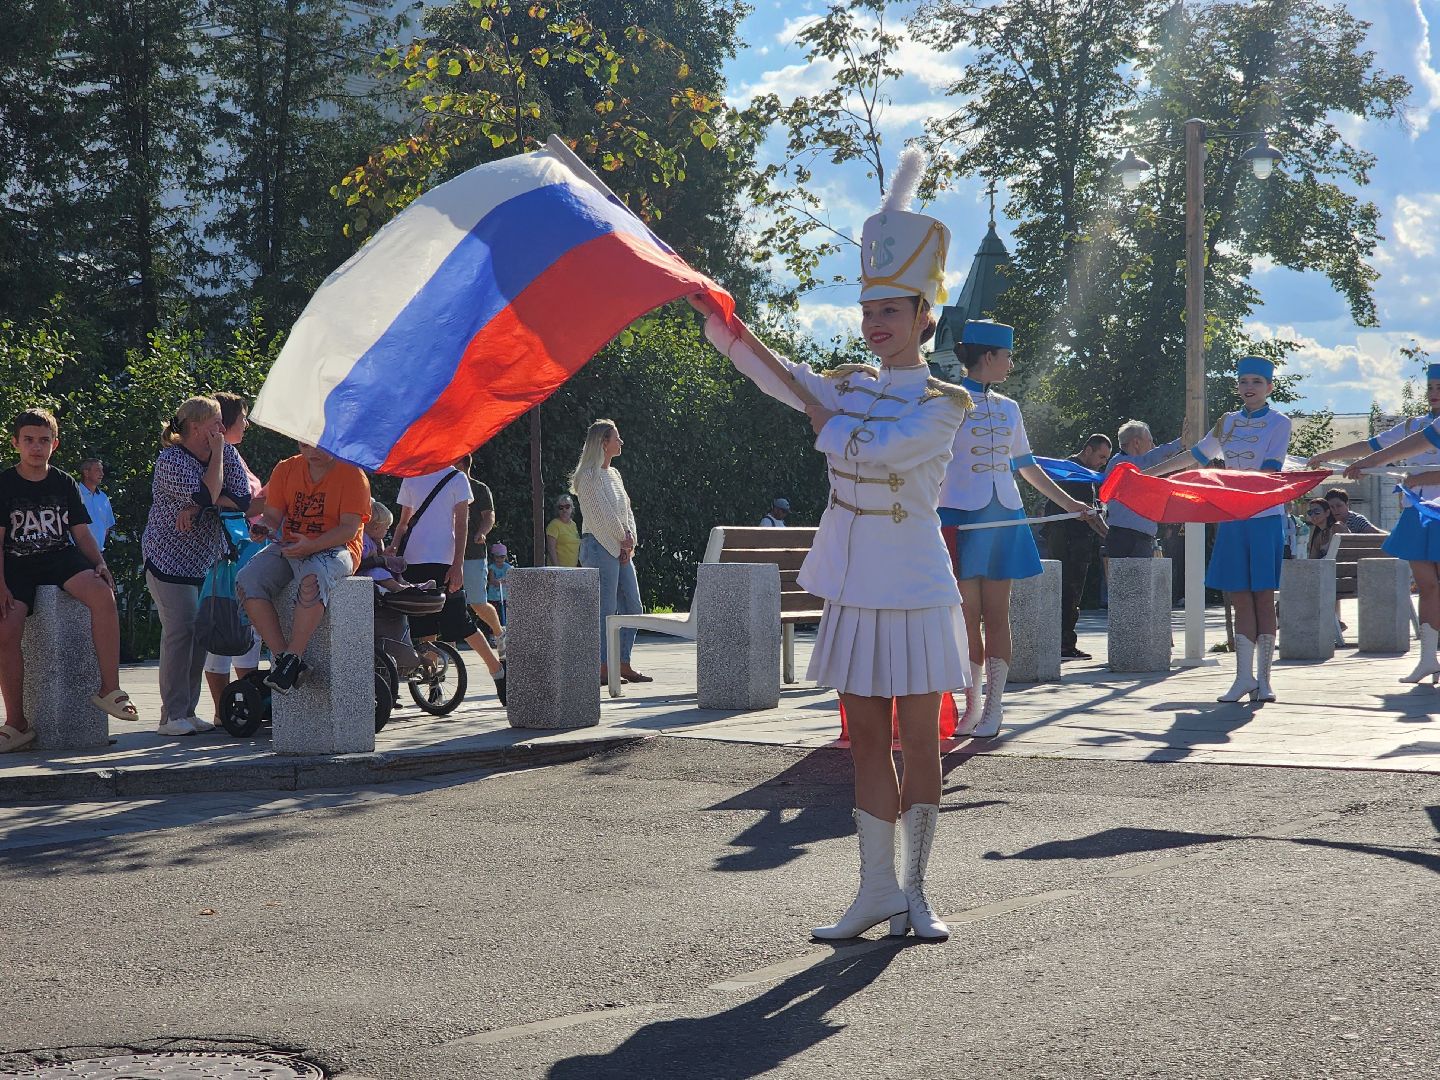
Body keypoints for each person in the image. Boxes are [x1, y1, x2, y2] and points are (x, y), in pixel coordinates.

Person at [703, 156, 973, 942]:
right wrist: (722, 322)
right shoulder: (850, 384)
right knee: (863, 740)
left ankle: (918, 893)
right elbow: (783, 379)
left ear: (926, 316)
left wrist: (829, 421)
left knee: (920, 740)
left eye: (894, 309)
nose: (877, 323)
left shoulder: (945, 401)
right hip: (856, 582)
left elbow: (883, 453)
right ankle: (875, 888)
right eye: (869, 310)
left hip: (916, 581)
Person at [939, 320, 1097, 735]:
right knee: (965, 615)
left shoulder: (1009, 407)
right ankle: (971, 705)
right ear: (988, 357)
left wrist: (1073, 504)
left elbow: (1026, 466)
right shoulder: (944, 401)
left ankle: (994, 707)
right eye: (1007, 356)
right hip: (959, 515)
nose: (1010, 363)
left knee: (997, 614)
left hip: (1003, 516)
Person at [1149, 357, 1290, 703]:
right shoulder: (1227, 423)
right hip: (1231, 519)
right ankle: (1243, 678)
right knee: (1240, 599)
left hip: (1264, 516)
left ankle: (1265, 680)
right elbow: (1196, 455)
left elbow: (1270, 470)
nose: (1249, 388)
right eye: (1244, 382)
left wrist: (1226, 484)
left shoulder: (1279, 422)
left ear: (1270, 387)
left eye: (1257, 382)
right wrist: (1153, 473)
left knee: (1262, 599)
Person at [0, 408, 138, 753]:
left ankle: (110, 689)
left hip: (59, 557)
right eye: (29, 440)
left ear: (54, 444)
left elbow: (81, 531)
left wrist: (100, 562)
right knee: (7, 626)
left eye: (44, 441)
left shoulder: (64, 482)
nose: (36, 447)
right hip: (16, 562)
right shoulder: (4, 483)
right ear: (15, 442)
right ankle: (16, 722)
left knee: (102, 593)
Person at [1309, 367, 1440, 682]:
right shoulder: (1414, 425)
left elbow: (1380, 456)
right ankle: (1428, 658)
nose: (1435, 391)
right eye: (1431, 386)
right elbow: (1373, 446)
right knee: (1427, 586)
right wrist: (1329, 456)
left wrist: (1383, 467)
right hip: (1417, 513)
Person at [141, 396, 253, 735]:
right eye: (215, 424)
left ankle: (187, 711)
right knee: (181, 631)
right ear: (194, 427)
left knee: (199, 633)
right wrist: (208, 494)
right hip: (167, 560)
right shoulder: (171, 460)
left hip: (204, 561)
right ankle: (170, 715)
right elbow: (208, 495)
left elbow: (243, 499)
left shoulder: (227, 453)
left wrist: (205, 501)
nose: (221, 430)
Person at [237, 443, 370, 692]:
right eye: (305, 443)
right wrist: (263, 527)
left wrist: (311, 546)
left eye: (319, 444)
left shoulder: (352, 473)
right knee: (246, 580)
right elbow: (273, 516)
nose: (312, 451)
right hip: (292, 544)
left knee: (313, 576)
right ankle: (284, 660)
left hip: (338, 547)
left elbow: (349, 529)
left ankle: (294, 655)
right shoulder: (286, 469)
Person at [392, 460, 507, 704]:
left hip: (443, 560)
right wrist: (393, 548)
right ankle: (433, 681)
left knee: (460, 621)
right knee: (424, 625)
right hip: (413, 560)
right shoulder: (411, 475)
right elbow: (404, 521)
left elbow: (461, 523)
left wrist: (457, 564)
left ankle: (496, 670)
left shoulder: (457, 478)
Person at [202, 392, 266, 724]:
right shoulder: (223, 454)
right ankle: (224, 710)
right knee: (227, 623)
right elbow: (231, 503)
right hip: (229, 553)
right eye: (242, 417)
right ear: (226, 421)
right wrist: (272, 501)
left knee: (245, 628)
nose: (247, 423)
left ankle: (242, 704)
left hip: (245, 551)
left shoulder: (233, 454)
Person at [572, 420, 650, 685]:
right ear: (603, 443)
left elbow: (626, 511)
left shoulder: (614, 475)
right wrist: (622, 540)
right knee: (606, 608)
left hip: (619, 546)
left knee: (632, 605)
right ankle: (603, 666)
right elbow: (599, 515)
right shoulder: (588, 475)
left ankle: (623, 662)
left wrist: (630, 541)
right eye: (617, 438)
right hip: (598, 545)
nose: (621, 443)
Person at [1043, 434, 1111, 660]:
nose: (1103, 462)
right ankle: (1064, 644)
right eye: (1101, 456)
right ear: (1088, 450)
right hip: (1068, 539)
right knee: (1069, 592)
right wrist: (1109, 536)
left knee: (1069, 592)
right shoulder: (1075, 472)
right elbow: (1089, 514)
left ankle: (1062, 642)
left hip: (1070, 538)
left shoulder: (1077, 470)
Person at [1103, 420, 1185, 559]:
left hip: (1137, 539)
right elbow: (1152, 459)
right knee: (1126, 581)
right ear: (1136, 443)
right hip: (1126, 539)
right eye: (1150, 441)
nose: (1154, 446)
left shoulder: (1136, 467)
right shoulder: (1121, 464)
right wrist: (1183, 442)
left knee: (1137, 581)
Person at [456, 455, 505, 646]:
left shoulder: (480, 488)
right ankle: (441, 655)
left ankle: (500, 633)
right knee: (443, 604)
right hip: (447, 554)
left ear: (461, 464)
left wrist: (482, 532)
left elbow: (489, 516)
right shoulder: (445, 487)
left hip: (473, 554)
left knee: (477, 602)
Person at [76, 458, 116, 552]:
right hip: (76, 554)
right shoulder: (74, 495)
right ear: (86, 473)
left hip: (98, 553)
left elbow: (106, 527)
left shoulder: (103, 498)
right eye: (97, 470)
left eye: (102, 470)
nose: (102, 474)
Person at [545, 496, 580, 567]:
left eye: (567, 506)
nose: (564, 510)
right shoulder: (554, 525)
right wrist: (557, 569)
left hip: (573, 569)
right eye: (561, 507)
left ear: (572, 508)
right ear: (558, 510)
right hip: (558, 570)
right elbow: (551, 549)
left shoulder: (574, 525)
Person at [487, 542, 510, 623]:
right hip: (493, 597)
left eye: (502, 557)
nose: (499, 559)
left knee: (505, 616)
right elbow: (492, 580)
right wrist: (502, 581)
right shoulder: (492, 567)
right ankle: (493, 632)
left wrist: (501, 581)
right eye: (497, 557)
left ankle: (505, 630)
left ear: (505, 557)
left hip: (505, 596)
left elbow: (510, 579)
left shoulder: (507, 567)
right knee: (494, 616)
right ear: (494, 557)